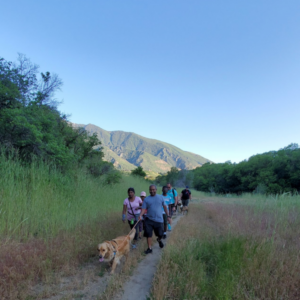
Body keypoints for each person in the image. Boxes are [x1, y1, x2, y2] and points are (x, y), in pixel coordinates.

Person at [139, 185, 171, 254]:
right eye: (150, 190)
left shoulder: (160, 197)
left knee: (160, 234)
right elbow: (143, 209)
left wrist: (168, 216)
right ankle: (149, 248)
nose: (152, 191)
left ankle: (159, 240)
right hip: (149, 220)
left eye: (153, 189)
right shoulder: (146, 199)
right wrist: (140, 215)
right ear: (149, 190)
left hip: (159, 220)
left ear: (156, 190)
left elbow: (165, 207)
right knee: (148, 234)